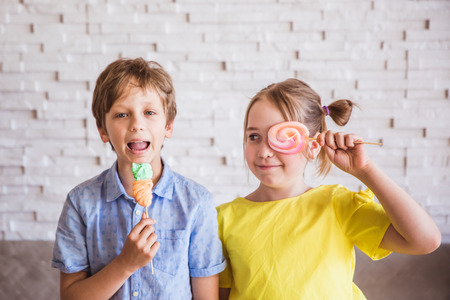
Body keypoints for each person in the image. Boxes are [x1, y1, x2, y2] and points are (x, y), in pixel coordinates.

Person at [217, 78, 441, 299]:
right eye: (254, 136)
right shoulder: (222, 219)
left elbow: (425, 240)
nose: (264, 151)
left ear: (313, 146)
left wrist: (365, 170)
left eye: (284, 137)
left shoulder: (336, 204)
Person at [52, 57, 226, 300]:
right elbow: (70, 297)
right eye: (122, 114)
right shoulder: (81, 203)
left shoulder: (196, 203)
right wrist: (125, 264)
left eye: (149, 112)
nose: (137, 124)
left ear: (168, 125)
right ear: (103, 130)